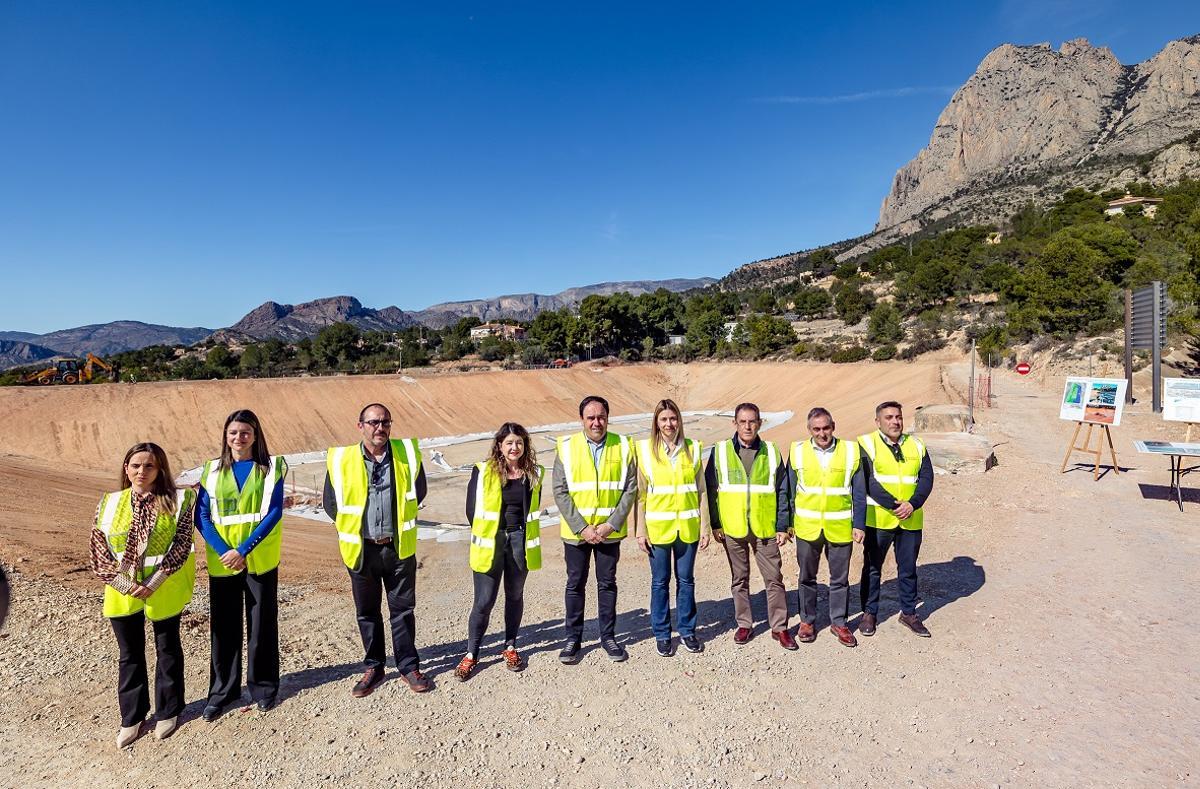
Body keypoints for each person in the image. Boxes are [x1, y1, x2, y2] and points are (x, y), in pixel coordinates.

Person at [90, 443, 196, 747]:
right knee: (130, 655)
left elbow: (181, 544)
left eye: (149, 466)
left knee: (168, 649)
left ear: (159, 469)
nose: (141, 471)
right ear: (126, 468)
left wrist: (153, 581)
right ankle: (132, 717)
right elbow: (98, 553)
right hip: (122, 591)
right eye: (135, 465)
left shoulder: (178, 500)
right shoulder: (109, 502)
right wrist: (128, 585)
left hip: (163, 587)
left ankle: (169, 710)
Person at [323, 403, 432, 696]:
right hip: (362, 550)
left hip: (397, 548)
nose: (379, 427)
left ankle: (408, 667)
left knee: (403, 611)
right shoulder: (341, 459)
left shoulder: (406, 453)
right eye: (372, 422)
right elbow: (330, 503)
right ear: (361, 426)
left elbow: (418, 490)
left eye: (385, 422)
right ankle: (374, 666)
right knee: (367, 612)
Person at [197, 409, 288, 720]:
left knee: (262, 624)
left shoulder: (271, 468)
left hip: (259, 558)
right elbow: (203, 517)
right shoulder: (210, 471)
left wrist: (244, 549)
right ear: (226, 436)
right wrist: (227, 550)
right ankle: (222, 692)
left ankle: (264, 688)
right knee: (224, 628)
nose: (239, 438)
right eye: (234, 432)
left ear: (256, 435)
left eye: (245, 432)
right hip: (224, 561)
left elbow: (274, 511)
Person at [454, 423, 545, 680]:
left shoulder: (533, 473)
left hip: (519, 540)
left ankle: (510, 646)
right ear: (500, 446)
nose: (514, 447)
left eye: (519, 442)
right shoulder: (483, 471)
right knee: (484, 601)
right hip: (491, 541)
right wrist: (487, 534)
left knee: (514, 595)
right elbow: (471, 510)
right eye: (509, 443)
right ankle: (472, 653)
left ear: (525, 445)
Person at [552, 394, 637, 664]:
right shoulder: (566, 447)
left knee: (607, 583)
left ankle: (608, 637)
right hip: (577, 534)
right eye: (591, 417)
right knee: (575, 584)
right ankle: (572, 640)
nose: (596, 422)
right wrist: (582, 528)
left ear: (608, 418)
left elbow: (630, 488)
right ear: (582, 420)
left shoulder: (624, 446)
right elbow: (560, 490)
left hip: (609, 533)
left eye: (601, 417)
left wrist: (611, 524)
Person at [706, 402, 795, 650]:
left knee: (774, 579)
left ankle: (780, 628)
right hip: (732, 528)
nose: (747, 426)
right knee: (739, 579)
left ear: (759, 423)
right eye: (743, 421)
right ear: (735, 423)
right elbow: (712, 489)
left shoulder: (772, 451)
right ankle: (744, 624)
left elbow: (782, 490)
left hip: (764, 527)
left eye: (752, 421)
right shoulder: (721, 451)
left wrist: (782, 525)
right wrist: (715, 523)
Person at [634, 399, 711, 657]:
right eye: (664, 419)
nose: (669, 424)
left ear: (680, 421)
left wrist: (705, 528)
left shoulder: (692, 449)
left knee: (686, 581)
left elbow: (701, 491)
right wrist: (640, 530)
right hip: (658, 530)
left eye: (673, 418)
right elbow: (641, 496)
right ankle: (662, 633)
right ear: (656, 422)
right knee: (660, 582)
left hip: (687, 528)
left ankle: (688, 631)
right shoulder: (645, 451)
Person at [788, 407, 867, 647]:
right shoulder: (797, 451)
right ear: (809, 430)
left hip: (840, 526)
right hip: (807, 526)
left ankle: (839, 622)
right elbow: (789, 491)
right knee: (806, 577)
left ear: (834, 425)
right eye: (817, 429)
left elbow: (859, 492)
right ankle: (807, 621)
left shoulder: (851, 451)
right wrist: (788, 523)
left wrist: (859, 523)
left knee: (840, 579)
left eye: (826, 427)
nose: (822, 433)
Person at [857, 401, 935, 638]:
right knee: (872, 568)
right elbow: (868, 481)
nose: (895, 422)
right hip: (879, 519)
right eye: (889, 417)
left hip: (910, 518)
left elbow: (927, 478)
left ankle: (909, 613)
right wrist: (894, 505)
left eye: (898, 417)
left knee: (908, 568)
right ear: (878, 421)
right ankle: (869, 613)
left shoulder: (917, 444)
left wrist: (913, 504)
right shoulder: (866, 444)